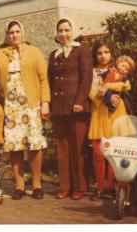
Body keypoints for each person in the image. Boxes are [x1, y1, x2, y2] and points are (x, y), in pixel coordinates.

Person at [0, 20, 50, 200]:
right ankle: (19, 185)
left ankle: (37, 183)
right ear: (6, 35)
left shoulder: (34, 52)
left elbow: (44, 79)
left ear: (22, 33)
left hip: (31, 105)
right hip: (10, 107)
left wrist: (45, 102)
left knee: (35, 144)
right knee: (14, 146)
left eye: (17, 31)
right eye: (11, 32)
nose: (14, 35)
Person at [48, 18, 93, 200]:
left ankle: (80, 186)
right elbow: (51, 80)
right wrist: (50, 104)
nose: (63, 34)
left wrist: (80, 100)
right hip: (59, 107)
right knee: (62, 148)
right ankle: (65, 186)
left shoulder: (82, 50)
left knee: (77, 148)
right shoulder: (54, 54)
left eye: (67, 30)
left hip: (77, 106)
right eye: (60, 31)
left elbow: (86, 77)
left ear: (72, 31)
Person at [88, 40, 132, 200]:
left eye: (106, 52)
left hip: (116, 114)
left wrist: (109, 89)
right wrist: (103, 95)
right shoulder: (92, 72)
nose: (103, 56)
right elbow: (91, 94)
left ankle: (111, 186)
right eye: (99, 53)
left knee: (115, 151)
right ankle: (100, 186)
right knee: (98, 153)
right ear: (95, 55)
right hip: (99, 114)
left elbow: (125, 86)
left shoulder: (119, 70)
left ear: (112, 54)